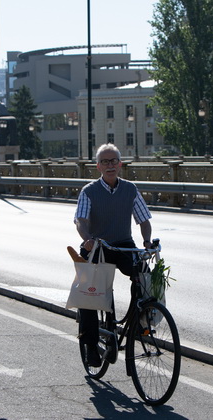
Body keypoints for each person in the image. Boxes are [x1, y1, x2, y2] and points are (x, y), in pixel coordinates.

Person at [74, 143, 153, 367]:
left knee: (144, 275)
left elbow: (144, 220)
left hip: (123, 244)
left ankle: (142, 320)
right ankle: (90, 345)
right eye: (105, 162)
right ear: (98, 166)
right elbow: (81, 220)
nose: (110, 165)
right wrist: (87, 239)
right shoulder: (89, 191)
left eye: (114, 161)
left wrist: (146, 242)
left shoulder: (130, 189)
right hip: (97, 246)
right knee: (90, 294)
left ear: (120, 164)